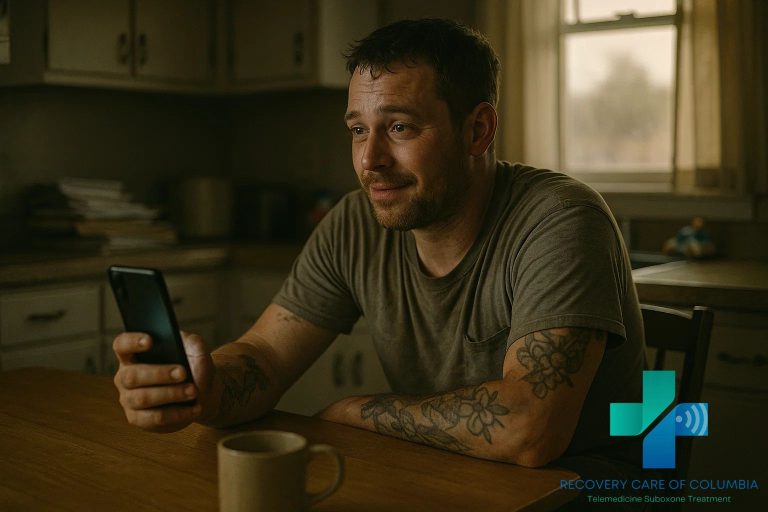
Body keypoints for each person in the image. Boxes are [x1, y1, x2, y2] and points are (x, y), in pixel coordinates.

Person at [113, 19, 645, 476]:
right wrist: (205, 389)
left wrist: (355, 412)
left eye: (399, 127)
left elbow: (531, 431)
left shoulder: (561, 218)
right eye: (358, 129)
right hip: (442, 480)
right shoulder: (355, 223)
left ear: (478, 129)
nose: (370, 159)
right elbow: (267, 355)